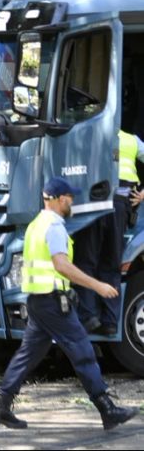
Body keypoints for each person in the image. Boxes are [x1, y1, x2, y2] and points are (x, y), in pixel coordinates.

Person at [0, 177, 138, 431]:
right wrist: (97, 285)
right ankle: (107, 409)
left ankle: (1, 407)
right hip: (53, 302)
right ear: (59, 199)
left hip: (38, 300)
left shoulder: (36, 224)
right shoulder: (55, 226)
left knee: (28, 355)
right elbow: (61, 265)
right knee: (83, 351)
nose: (73, 201)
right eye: (70, 197)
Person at [76, 129, 144, 335]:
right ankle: (110, 322)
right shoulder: (131, 140)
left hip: (94, 201)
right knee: (112, 263)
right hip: (122, 203)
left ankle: (88, 317)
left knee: (87, 261)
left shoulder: (88, 134)